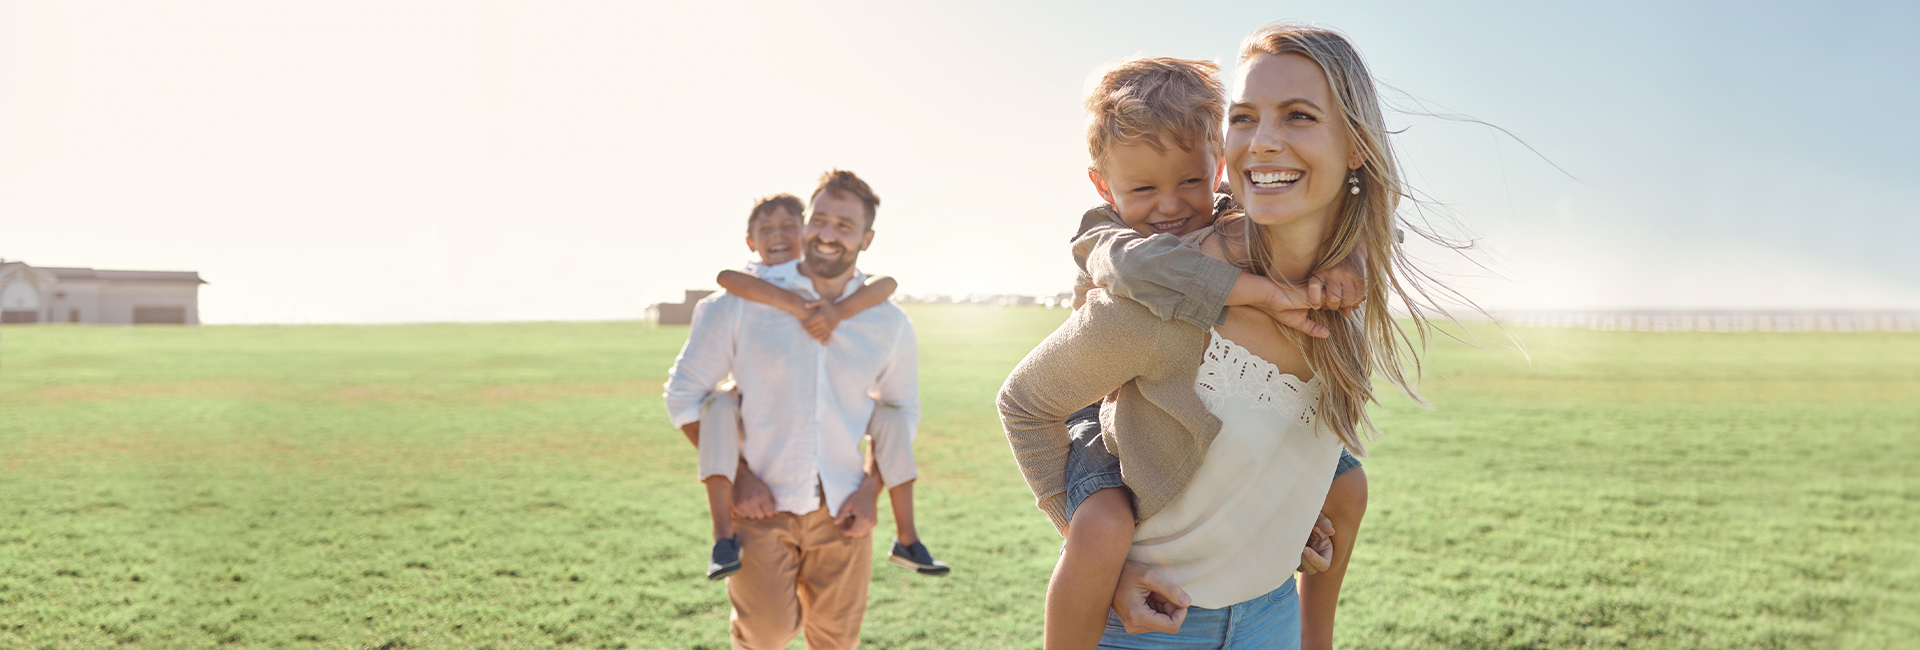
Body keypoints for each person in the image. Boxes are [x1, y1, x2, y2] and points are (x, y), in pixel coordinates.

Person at [1003, 23, 1466, 649]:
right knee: (1102, 525)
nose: (1266, 142)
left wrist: (1273, 520)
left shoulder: (1346, 278)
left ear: (1357, 145)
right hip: (1153, 627)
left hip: (1272, 616)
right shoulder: (1156, 292)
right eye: (1246, 117)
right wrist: (1096, 551)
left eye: (1298, 115)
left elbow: (1375, 223)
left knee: (1348, 480)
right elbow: (1027, 400)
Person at [665, 170, 920, 649]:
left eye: (844, 226)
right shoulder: (737, 306)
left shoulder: (888, 322)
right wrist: (739, 476)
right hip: (761, 508)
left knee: (835, 642)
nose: (826, 234)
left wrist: (870, 489)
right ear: (804, 224)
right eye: (818, 219)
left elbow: (901, 411)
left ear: (866, 238)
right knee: (765, 636)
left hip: (845, 509)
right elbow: (683, 396)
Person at [687, 192, 948, 581]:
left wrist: (838, 312)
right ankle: (722, 536)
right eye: (766, 229)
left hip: (839, 490)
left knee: (893, 417)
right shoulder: (752, 288)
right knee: (720, 406)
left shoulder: (845, 290)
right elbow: (727, 279)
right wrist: (794, 305)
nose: (780, 236)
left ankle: (908, 537)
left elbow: (887, 283)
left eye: (789, 228)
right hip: (760, 452)